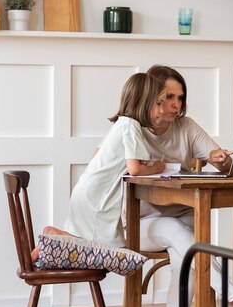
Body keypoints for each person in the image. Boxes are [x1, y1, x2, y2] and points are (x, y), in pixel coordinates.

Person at [136, 64, 233, 307]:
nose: (176, 104)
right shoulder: (133, 129)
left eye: (180, 98)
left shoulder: (186, 127)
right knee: (177, 232)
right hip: (140, 223)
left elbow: (222, 164)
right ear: (153, 96)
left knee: (186, 253)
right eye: (169, 97)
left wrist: (221, 160)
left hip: (183, 216)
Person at [33, 73, 166, 259]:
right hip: (97, 201)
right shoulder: (131, 127)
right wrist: (157, 168)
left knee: (91, 243)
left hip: (86, 193)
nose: (162, 110)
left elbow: (98, 154)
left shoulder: (121, 124)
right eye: (158, 103)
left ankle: (57, 239)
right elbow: (135, 169)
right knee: (112, 251)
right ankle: (54, 242)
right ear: (143, 102)